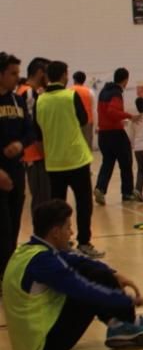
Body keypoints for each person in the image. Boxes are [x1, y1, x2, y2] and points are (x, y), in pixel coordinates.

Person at [2, 199, 143, 350]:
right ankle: (127, 323)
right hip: (44, 345)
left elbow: (76, 260)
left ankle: (119, 324)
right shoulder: (44, 262)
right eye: (68, 227)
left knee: (93, 270)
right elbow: (85, 291)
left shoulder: (28, 251)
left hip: (26, 344)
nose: (72, 233)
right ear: (55, 232)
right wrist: (135, 301)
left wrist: (113, 274)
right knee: (89, 286)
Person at [34, 61, 103, 258]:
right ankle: (84, 242)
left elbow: (37, 133)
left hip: (54, 162)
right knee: (83, 203)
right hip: (76, 159)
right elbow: (83, 120)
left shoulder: (40, 101)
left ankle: (59, 244)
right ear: (64, 75)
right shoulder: (71, 96)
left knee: (57, 206)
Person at [0, 52, 32, 280]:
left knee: (12, 228)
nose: (17, 78)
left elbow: (30, 131)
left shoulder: (18, 100)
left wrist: (20, 144)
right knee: (2, 229)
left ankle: (8, 276)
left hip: (16, 172)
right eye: (12, 74)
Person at [95, 68, 138, 205]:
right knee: (126, 162)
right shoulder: (116, 93)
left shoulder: (103, 91)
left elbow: (104, 111)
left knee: (107, 162)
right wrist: (129, 116)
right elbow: (112, 111)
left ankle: (100, 188)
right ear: (125, 80)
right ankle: (127, 193)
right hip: (115, 134)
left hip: (103, 134)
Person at [18, 57, 50, 212]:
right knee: (41, 200)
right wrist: (44, 152)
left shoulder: (24, 91)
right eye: (47, 73)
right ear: (39, 73)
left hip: (32, 154)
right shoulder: (28, 93)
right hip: (35, 154)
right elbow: (33, 127)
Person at [70, 71, 94, 150]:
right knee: (87, 146)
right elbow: (93, 109)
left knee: (75, 146)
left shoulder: (69, 91)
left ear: (74, 80)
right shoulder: (89, 91)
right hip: (88, 122)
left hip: (73, 122)